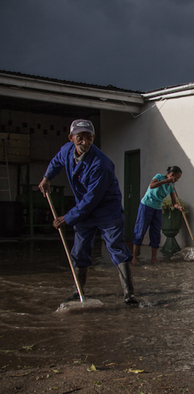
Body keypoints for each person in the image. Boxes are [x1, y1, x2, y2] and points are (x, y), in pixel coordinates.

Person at [38, 119, 138, 305]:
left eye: (89, 138)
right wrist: (46, 178)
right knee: (80, 249)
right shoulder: (66, 150)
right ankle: (79, 292)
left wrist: (67, 218)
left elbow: (91, 199)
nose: (85, 142)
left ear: (93, 138)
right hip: (84, 210)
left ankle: (129, 295)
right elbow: (56, 162)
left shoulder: (101, 164)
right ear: (71, 138)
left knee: (116, 247)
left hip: (107, 210)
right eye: (80, 138)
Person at [131, 166, 183, 264]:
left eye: (178, 179)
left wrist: (178, 207)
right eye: (176, 177)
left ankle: (153, 258)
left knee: (155, 233)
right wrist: (165, 181)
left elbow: (174, 202)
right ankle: (134, 257)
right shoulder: (159, 177)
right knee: (140, 230)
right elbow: (152, 185)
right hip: (146, 206)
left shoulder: (172, 187)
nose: (176, 180)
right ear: (171, 174)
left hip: (158, 209)